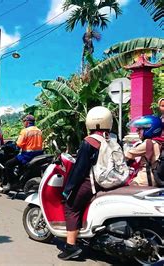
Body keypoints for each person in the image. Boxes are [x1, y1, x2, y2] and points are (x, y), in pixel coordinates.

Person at [59, 106, 113, 260]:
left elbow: (79, 169)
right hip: (111, 182)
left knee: (71, 206)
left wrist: (68, 189)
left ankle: (70, 247)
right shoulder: (113, 139)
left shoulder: (90, 141)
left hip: (93, 182)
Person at [4, 114, 43, 190]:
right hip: (38, 155)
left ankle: (11, 184)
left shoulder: (25, 131)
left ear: (27, 122)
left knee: (8, 164)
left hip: (27, 156)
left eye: (24, 121)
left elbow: (19, 144)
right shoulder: (39, 131)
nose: (23, 123)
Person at [125, 115, 163, 186]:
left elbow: (128, 155)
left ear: (149, 129)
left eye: (140, 129)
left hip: (144, 180)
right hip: (155, 179)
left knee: (121, 191)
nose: (137, 131)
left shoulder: (148, 143)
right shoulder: (158, 142)